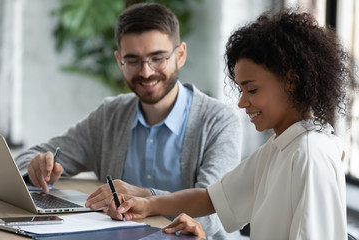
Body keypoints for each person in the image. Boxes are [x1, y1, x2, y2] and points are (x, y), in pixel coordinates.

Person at [105, 9, 355, 240]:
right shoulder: (281, 146)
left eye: (252, 90)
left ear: (291, 82)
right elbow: (212, 198)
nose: (242, 103)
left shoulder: (308, 153)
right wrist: (148, 204)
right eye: (241, 90)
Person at [15, 3, 242, 240]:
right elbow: (28, 158)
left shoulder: (219, 121)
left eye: (157, 58)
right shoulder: (110, 115)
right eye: (132, 61)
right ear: (119, 60)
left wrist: (147, 196)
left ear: (180, 55)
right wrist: (37, 167)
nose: (145, 72)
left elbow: (214, 213)